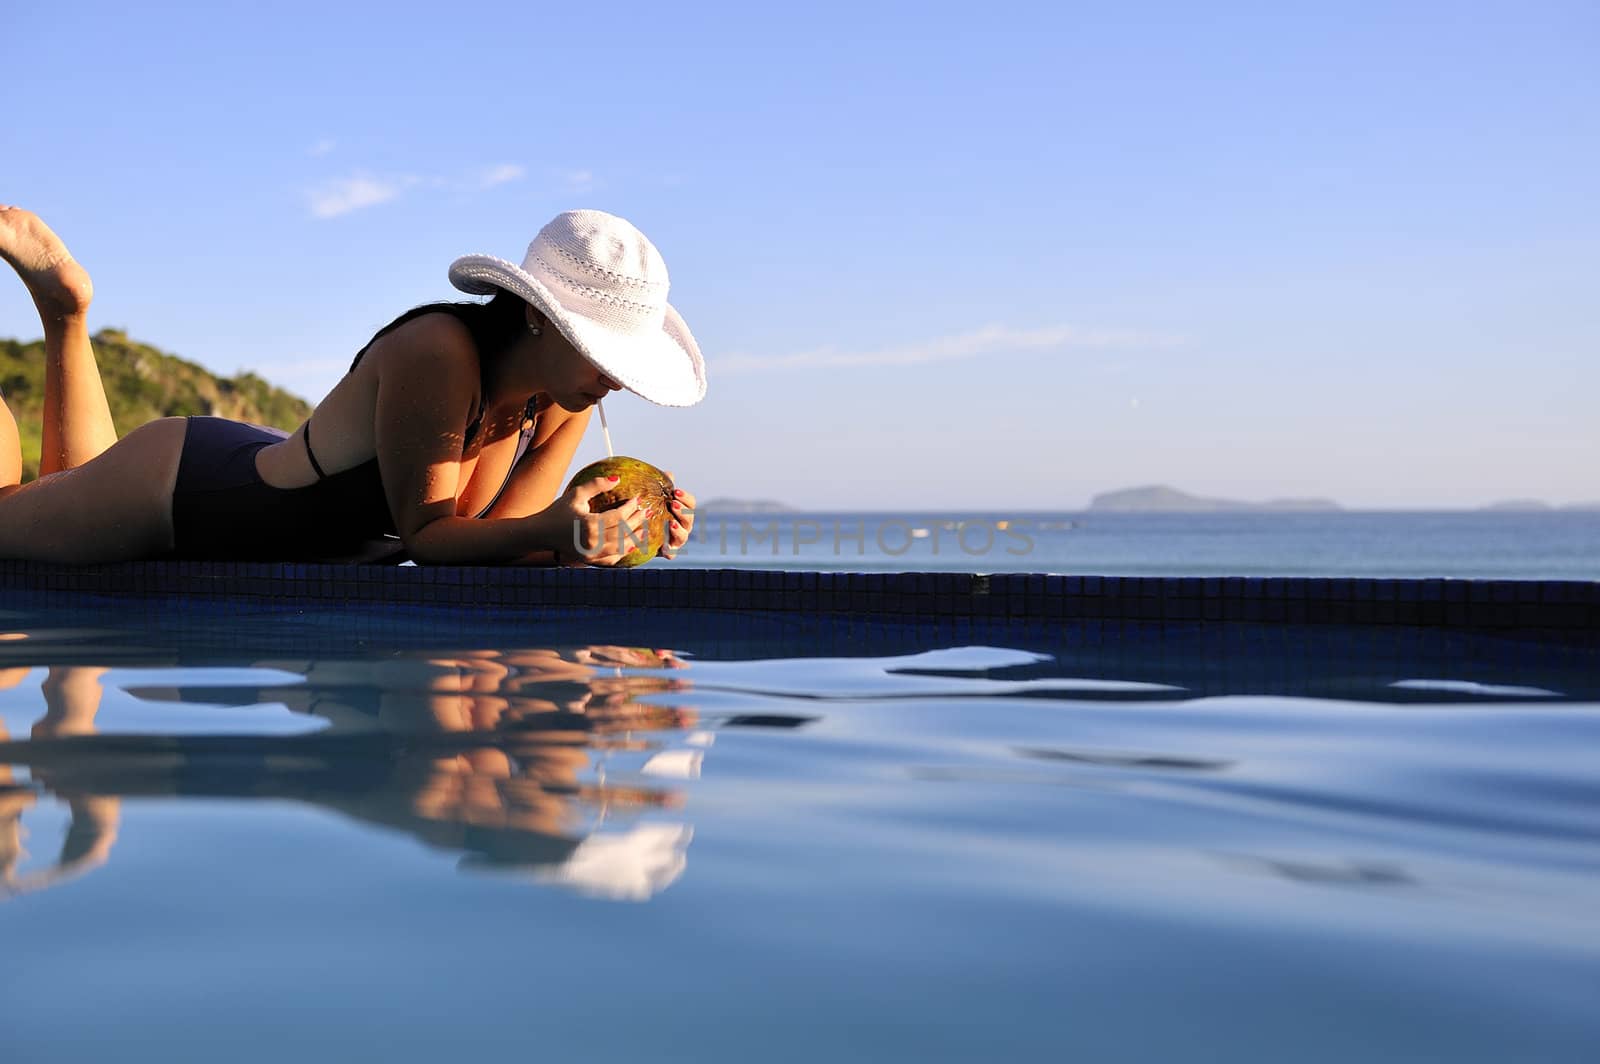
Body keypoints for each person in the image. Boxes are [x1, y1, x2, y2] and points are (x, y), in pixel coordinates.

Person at [0, 205, 702, 565]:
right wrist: (555, 528)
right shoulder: (439, 352)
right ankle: (66, 312)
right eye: (602, 354)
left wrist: (597, 540)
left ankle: (65, 316)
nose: (614, 380)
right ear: (536, 318)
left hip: (244, 479)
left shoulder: (561, 404)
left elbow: (499, 548)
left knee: (69, 486)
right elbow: (430, 539)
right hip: (185, 492)